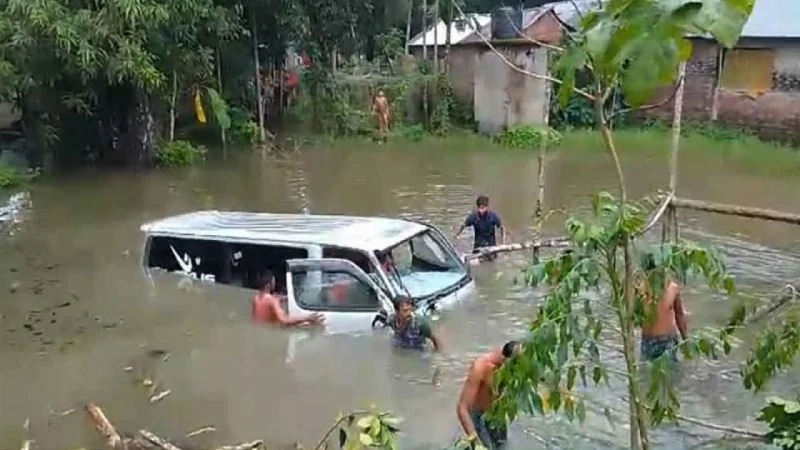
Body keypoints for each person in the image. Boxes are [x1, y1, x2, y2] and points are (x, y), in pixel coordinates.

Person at [457, 341, 521, 449]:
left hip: (496, 414)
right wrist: (474, 439)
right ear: (506, 361)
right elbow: (462, 408)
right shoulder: (481, 367)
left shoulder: (516, 368)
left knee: (502, 446)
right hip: (478, 415)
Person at [639, 254, 688, 361]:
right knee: (646, 373)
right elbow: (632, 316)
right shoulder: (639, 289)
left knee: (669, 373)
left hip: (667, 341)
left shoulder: (673, 289)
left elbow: (679, 315)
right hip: (647, 341)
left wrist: (686, 340)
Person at [252, 271, 324, 327]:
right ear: (268, 285)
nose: (275, 283)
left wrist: (284, 298)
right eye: (273, 282)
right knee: (308, 324)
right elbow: (284, 320)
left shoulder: (256, 298)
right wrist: (308, 318)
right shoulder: (273, 301)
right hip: (274, 330)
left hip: (262, 329)